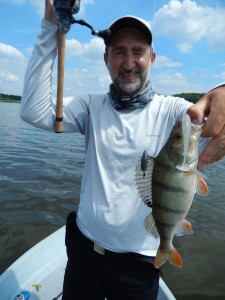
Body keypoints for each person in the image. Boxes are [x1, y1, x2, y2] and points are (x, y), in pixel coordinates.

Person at [20, 1, 225, 299]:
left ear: (152, 57)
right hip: (84, 252)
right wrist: (49, 28)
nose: (129, 62)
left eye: (138, 51)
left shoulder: (177, 115)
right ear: (106, 59)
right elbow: (31, 111)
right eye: (119, 52)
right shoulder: (90, 107)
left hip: (139, 262)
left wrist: (222, 89)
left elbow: (214, 116)